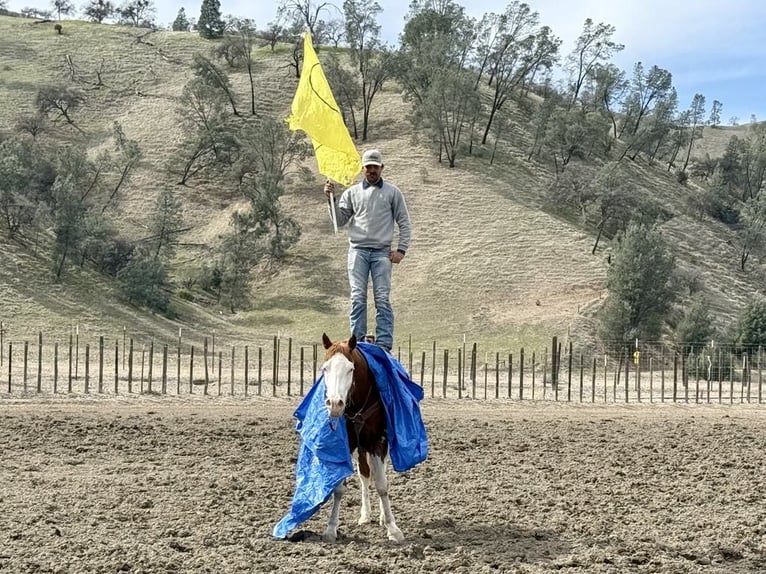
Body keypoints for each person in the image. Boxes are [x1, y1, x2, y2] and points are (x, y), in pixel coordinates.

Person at [323, 149, 411, 352]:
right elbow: (340, 219)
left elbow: (404, 222)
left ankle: (384, 343)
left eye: (375, 166)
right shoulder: (352, 193)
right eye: (368, 166)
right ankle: (358, 341)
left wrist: (401, 250)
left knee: (381, 297)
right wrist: (331, 200)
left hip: (382, 252)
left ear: (382, 167)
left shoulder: (392, 192)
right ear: (363, 168)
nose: (372, 170)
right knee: (357, 296)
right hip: (358, 251)